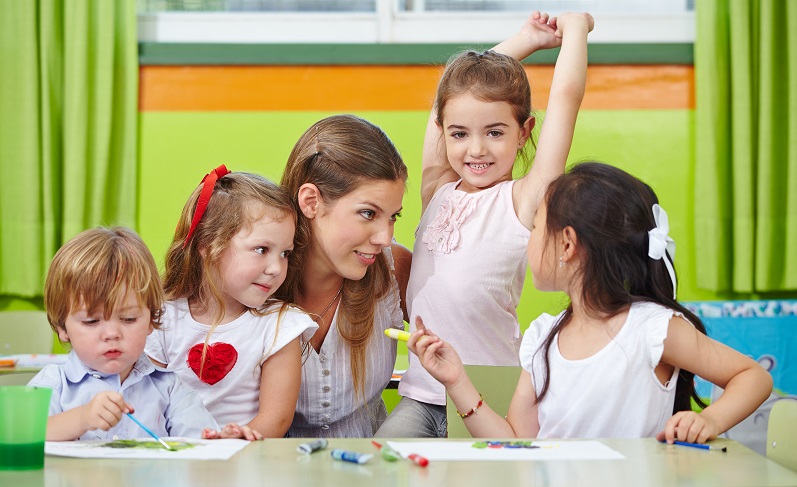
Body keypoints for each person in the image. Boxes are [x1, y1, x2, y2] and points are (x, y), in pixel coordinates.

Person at [409, 162, 774, 442]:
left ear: (567, 244)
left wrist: (709, 420)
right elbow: (517, 444)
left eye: (535, 228)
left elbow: (751, 376)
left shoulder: (652, 329)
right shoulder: (542, 337)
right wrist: (456, 381)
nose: (529, 239)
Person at [376, 11, 594, 438]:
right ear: (443, 131)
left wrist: (576, 32)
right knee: (384, 465)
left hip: (488, 394)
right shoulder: (437, 188)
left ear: (524, 131)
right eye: (459, 134)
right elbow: (447, 94)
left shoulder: (524, 198)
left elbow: (566, 97)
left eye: (494, 132)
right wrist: (523, 40)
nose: (475, 149)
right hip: (421, 394)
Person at [29, 227, 260, 441]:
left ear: (151, 320)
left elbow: (199, 442)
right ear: (62, 328)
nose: (111, 334)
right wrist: (82, 419)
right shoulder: (53, 384)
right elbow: (20, 436)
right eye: (91, 321)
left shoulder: (169, 388)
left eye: (128, 319)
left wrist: (224, 441)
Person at [145, 167, 317, 438]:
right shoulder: (163, 319)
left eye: (285, 253)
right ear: (207, 244)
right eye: (262, 249)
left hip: (246, 461)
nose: (276, 268)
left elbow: (277, 418)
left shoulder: (280, 325)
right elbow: (147, 402)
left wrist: (237, 436)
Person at [276, 114, 410, 437]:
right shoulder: (258, 279)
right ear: (311, 202)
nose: (383, 236)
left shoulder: (396, 268)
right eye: (368, 213)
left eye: (393, 217)